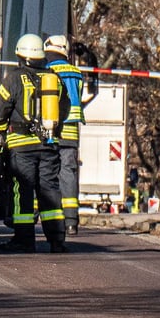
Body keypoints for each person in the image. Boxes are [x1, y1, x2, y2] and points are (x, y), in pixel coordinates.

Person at [0, 33, 69, 253]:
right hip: (49, 144)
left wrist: (1, 130)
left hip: (21, 146)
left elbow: (0, 109)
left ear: (20, 56)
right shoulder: (55, 79)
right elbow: (64, 109)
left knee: (22, 190)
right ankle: (57, 240)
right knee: (50, 189)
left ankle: (24, 239)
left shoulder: (14, 79)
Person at [43, 35, 88, 235]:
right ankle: (71, 221)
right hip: (71, 132)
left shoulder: (47, 70)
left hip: (52, 129)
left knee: (45, 173)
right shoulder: (76, 73)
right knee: (68, 173)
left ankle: (37, 215)